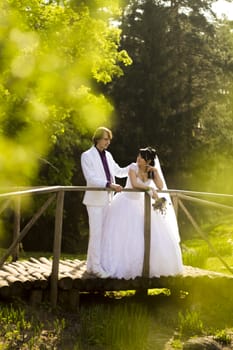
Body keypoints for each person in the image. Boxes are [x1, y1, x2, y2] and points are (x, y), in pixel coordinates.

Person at [101, 146, 183, 279]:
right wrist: (149, 189)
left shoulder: (151, 171)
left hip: (141, 205)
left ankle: (146, 268)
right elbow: (134, 184)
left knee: (144, 235)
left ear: (149, 161)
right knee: (123, 235)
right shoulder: (133, 167)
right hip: (125, 203)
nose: (138, 159)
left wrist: (155, 172)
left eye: (141, 158)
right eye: (138, 156)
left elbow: (161, 186)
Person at [81, 126, 129, 278]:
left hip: (108, 201)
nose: (108, 142)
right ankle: (96, 268)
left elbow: (118, 171)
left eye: (109, 139)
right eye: (106, 139)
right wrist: (109, 185)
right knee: (96, 234)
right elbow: (91, 179)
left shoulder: (108, 155)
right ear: (97, 139)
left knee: (101, 234)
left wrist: (134, 167)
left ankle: (90, 265)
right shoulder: (87, 155)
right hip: (94, 201)